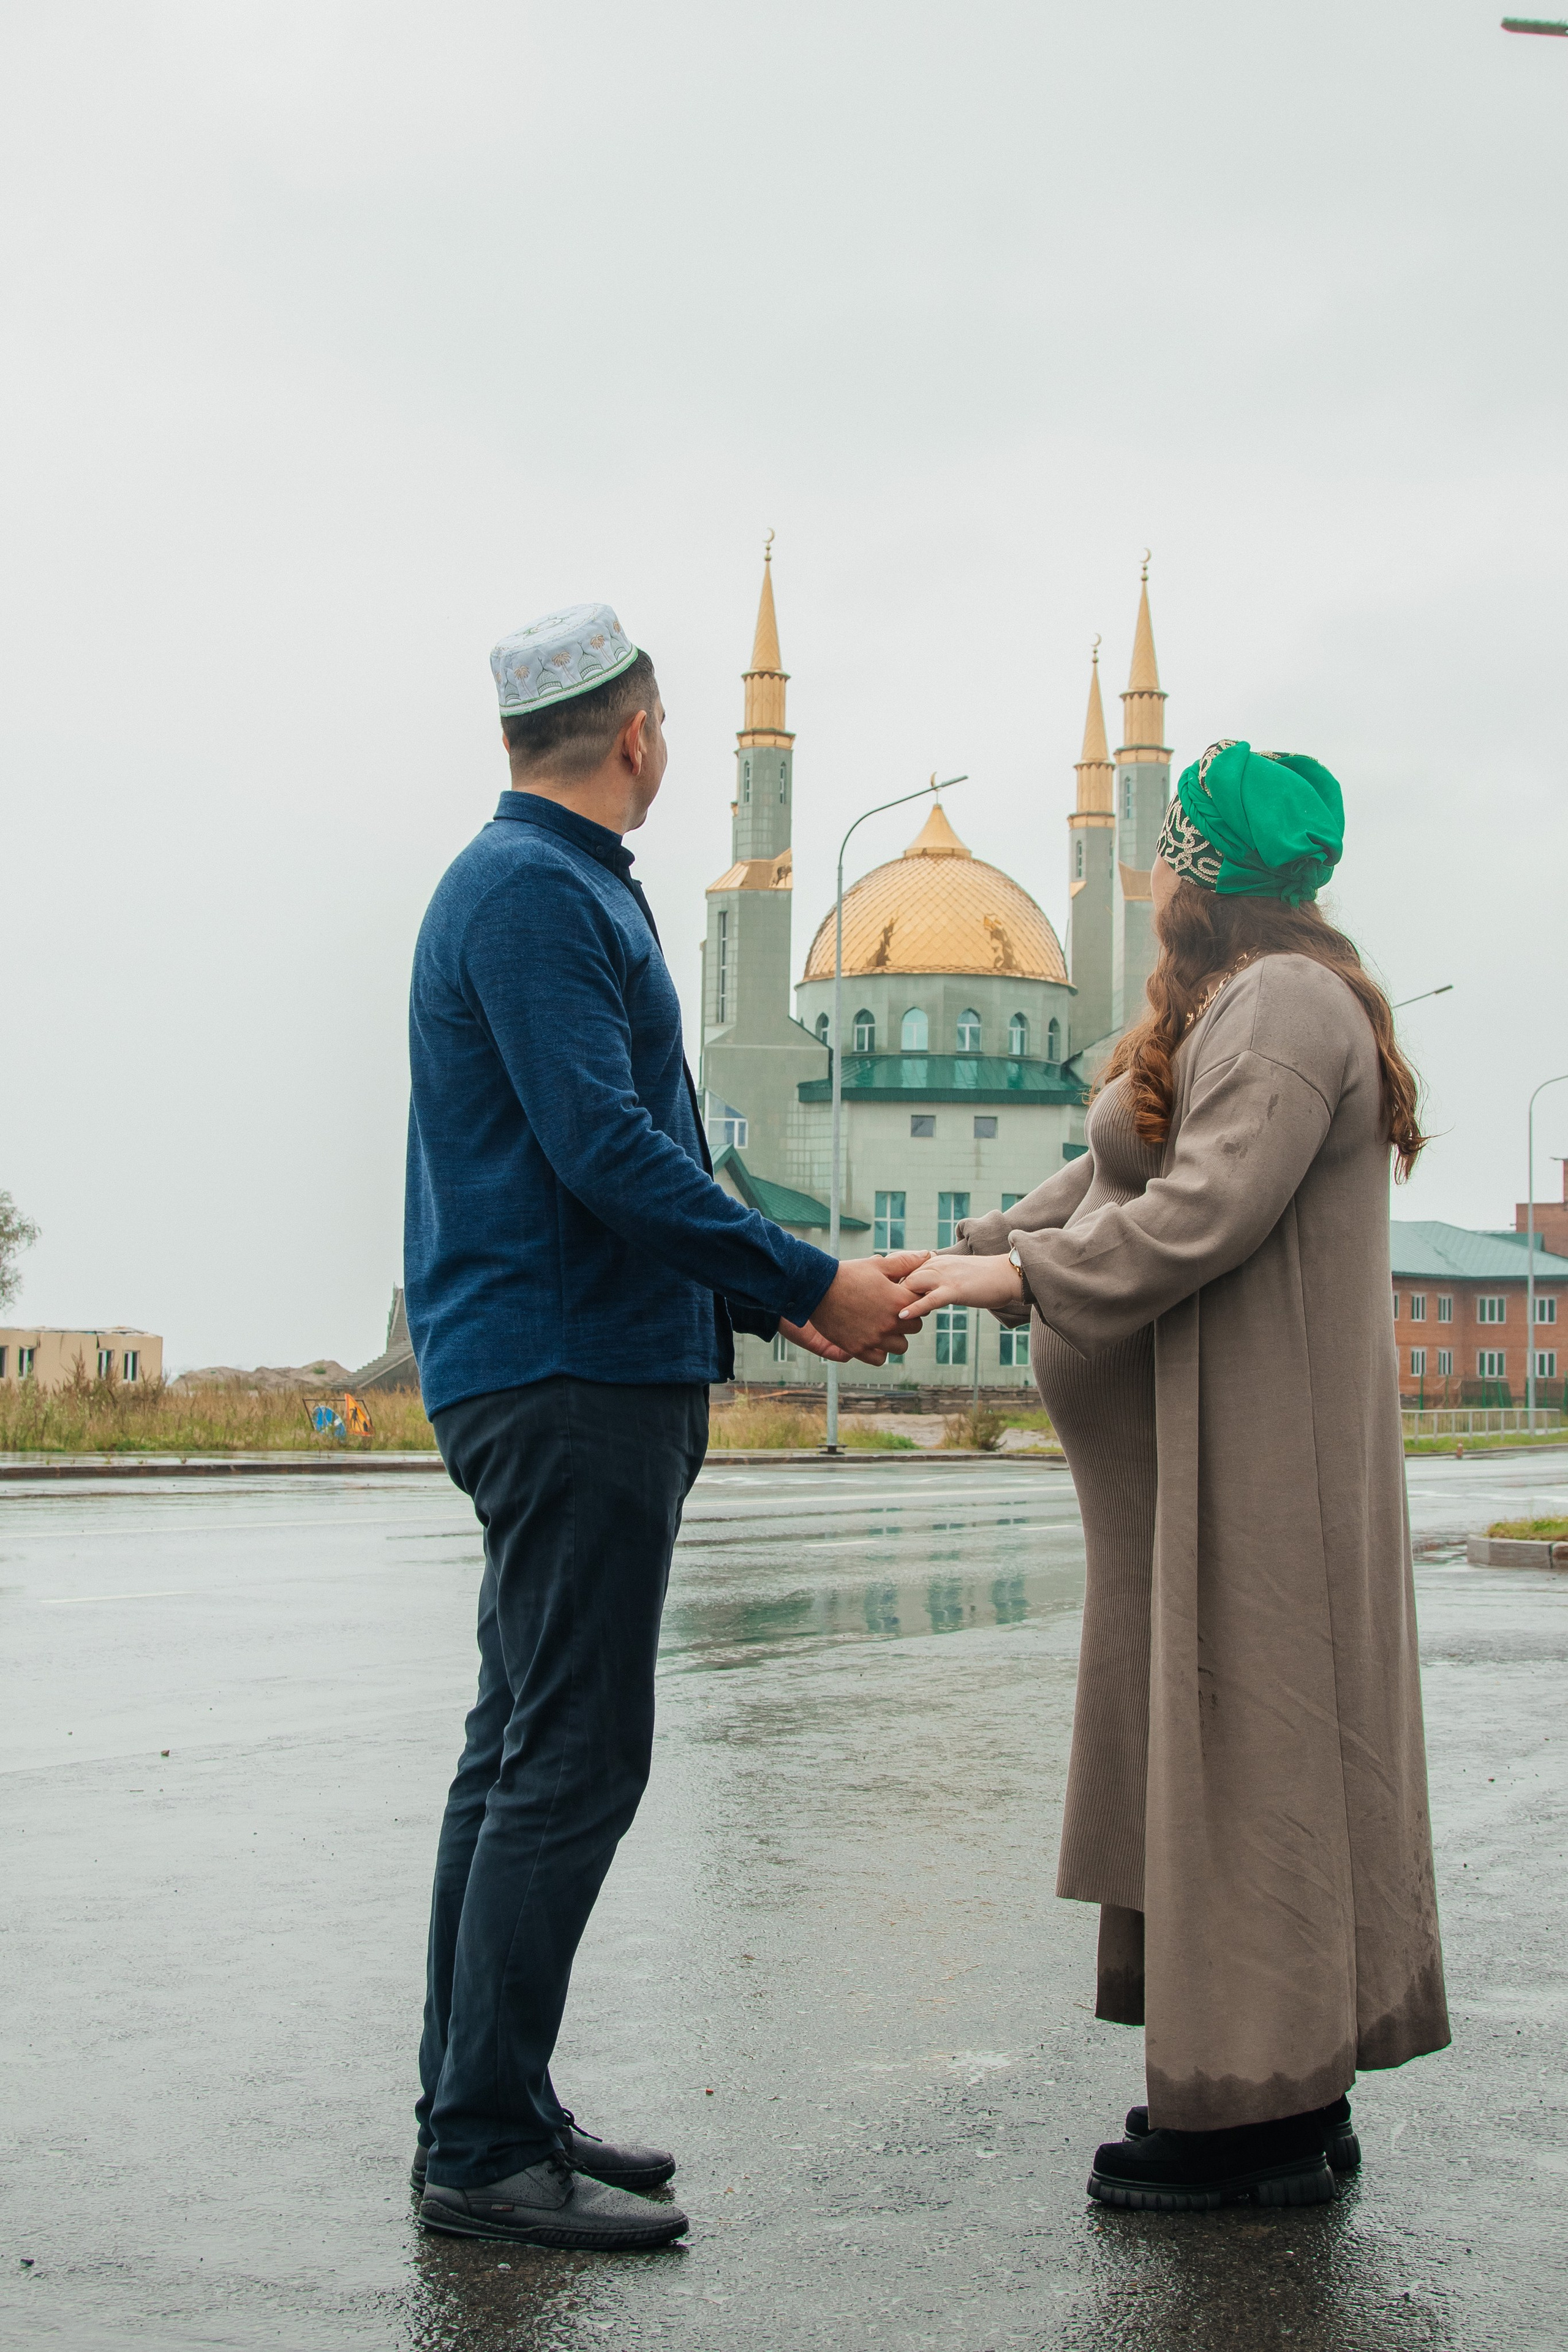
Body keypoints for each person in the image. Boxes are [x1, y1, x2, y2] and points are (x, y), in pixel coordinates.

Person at [404, 604, 926, 2251]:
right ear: (637, 738)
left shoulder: (540, 889)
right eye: (668, 727)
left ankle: (487, 2103)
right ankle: (482, 2146)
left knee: (521, 1745)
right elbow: (608, 1155)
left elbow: (615, 1155)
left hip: (565, 1361)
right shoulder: (537, 896)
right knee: (572, 1755)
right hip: (570, 1376)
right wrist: (805, 1285)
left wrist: (781, 1290)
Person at [900, 738, 1449, 2212]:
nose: (1148, 866)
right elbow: (1106, 1179)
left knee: (1255, 1755)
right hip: (1201, 1457)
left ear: (1194, 874)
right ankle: (1252, 2088)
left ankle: (1262, 2118)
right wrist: (961, 1257)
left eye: (1170, 844)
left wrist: (998, 1286)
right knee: (1213, 1753)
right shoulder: (1221, 1003)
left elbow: (1200, 1215)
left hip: (1259, 1452)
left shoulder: (1277, 1007)